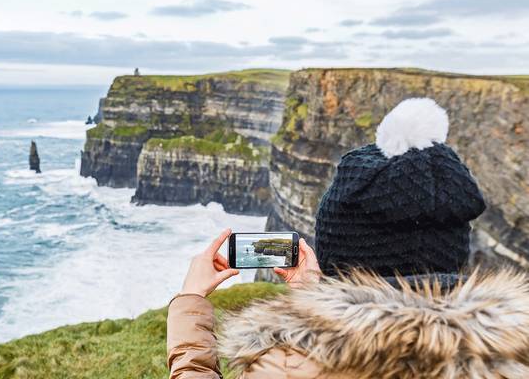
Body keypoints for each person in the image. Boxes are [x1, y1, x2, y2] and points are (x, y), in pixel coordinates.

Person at [167, 98, 529, 378]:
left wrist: (190, 303)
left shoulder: (290, 366)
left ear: (341, 256)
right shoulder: (514, 354)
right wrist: (313, 293)